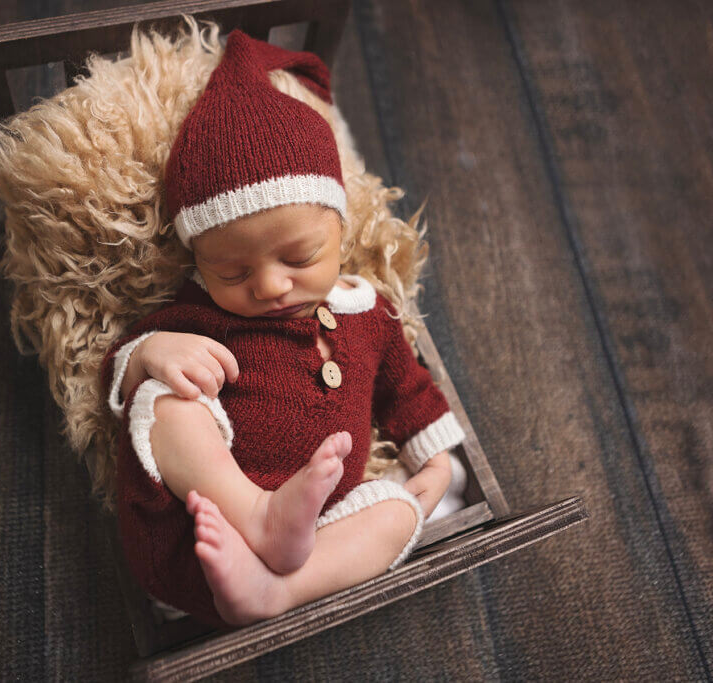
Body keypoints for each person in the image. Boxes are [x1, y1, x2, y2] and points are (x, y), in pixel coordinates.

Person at [101, 30, 467, 627]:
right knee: (163, 402)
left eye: (298, 258)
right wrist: (152, 353)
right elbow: (114, 369)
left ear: (341, 231)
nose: (270, 287)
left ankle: (277, 594)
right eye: (233, 269)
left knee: (401, 510)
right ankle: (260, 516)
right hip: (204, 533)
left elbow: (408, 387)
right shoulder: (202, 314)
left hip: (321, 538)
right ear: (200, 264)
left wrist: (438, 463)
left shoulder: (368, 313)